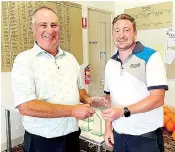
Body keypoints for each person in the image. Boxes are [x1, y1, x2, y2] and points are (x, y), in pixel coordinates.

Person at [11, 6, 104, 152]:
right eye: (43, 25)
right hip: (42, 142)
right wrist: (73, 111)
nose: (50, 30)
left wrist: (88, 99)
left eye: (54, 25)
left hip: (72, 136)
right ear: (33, 28)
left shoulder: (70, 59)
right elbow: (26, 106)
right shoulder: (24, 60)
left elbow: (78, 88)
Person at [101, 13, 168, 152]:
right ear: (113, 34)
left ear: (135, 34)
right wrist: (108, 128)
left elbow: (157, 99)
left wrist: (123, 111)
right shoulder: (110, 64)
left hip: (145, 138)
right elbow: (109, 98)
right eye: (117, 30)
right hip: (119, 135)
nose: (121, 35)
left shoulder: (150, 56)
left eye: (126, 30)